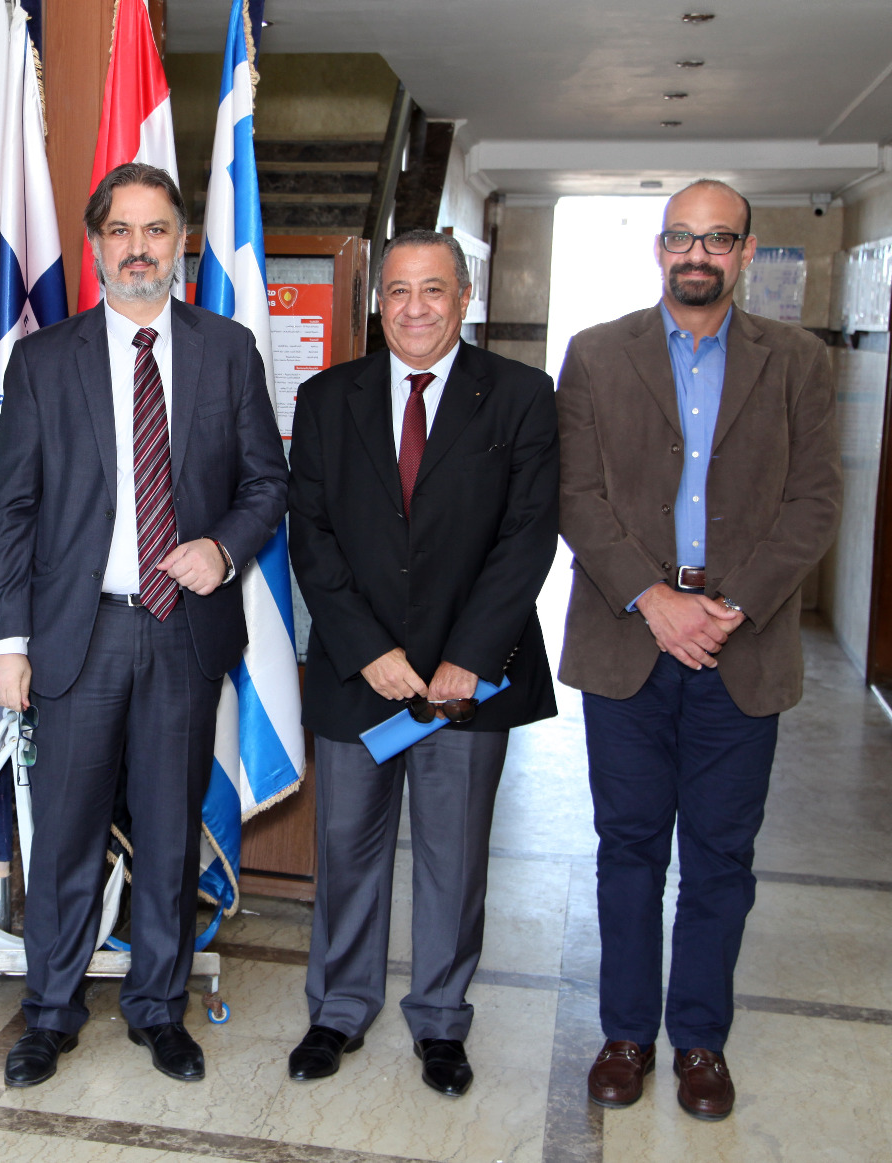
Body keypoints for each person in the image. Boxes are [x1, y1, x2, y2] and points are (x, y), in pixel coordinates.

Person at [0, 162, 288, 1087]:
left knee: (167, 835)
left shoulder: (228, 350)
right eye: (121, 230)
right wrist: (5, 642)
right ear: (95, 245)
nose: (139, 248)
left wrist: (223, 549)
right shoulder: (42, 359)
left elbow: (267, 483)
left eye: (156, 230)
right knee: (64, 838)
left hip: (184, 632)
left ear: (180, 242)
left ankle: (158, 1009)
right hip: (77, 638)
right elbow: (11, 510)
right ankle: (49, 1013)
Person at [558, 180, 841, 1121]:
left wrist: (730, 606)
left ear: (746, 252)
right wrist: (655, 599)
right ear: (659, 247)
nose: (697, 253)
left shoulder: (797, 362)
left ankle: (701, 1040)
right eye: (682, 236)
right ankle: (626, 1034)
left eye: (718, 239)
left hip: (740, 649)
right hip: (627, 643)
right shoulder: (597, 354)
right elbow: (576, 496)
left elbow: (814, 503)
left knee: (721, 855)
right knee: (629, 847)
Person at [286, 229, 559, 1097]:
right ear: (378, 303)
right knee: (346, 850)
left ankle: (441, 1020)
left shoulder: (521, 395)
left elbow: (528, 536)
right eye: (398, 291)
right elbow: (311, 535)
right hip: (360, 672)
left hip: (467, 685)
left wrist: (468, 659)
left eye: (433, 289)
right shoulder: (326, 398)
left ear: (464, 297)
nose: (414, 307)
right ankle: (338, 1009)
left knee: (454, 855)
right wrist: (369, 650)